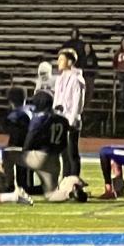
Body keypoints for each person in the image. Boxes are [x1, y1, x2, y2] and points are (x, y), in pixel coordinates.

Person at [52, 47, 87, 182]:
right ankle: (65, 179)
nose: (59, 62)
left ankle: (73, 180)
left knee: (72, 153)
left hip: (71, 120)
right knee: (64, 154)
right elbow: (57, 100)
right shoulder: (60, 78)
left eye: (62, 59)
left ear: (70, 62)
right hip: (61, 118)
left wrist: (71, 120)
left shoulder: (77, 79)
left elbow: (77, 102)